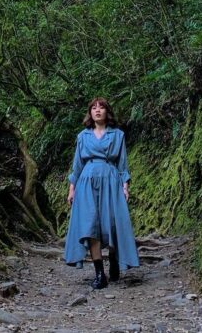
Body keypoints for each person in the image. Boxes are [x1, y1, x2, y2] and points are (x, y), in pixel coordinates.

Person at [63, 97, 140, 289]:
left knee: (111, 223)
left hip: (111, 179)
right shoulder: (83, 136)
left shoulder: (118, 135)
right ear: (89, 113)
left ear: (107, 112)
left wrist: (125, 185)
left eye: (101, 107)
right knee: (90, 226)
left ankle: (114, 260)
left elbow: (122, 163)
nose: (97, 110)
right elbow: (77, 165)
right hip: (86, 182)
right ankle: (99, 274)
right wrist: (72, 189)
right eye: (94, 108)